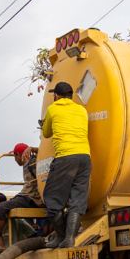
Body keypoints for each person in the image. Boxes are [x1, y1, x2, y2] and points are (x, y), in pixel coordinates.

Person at [41, 81, 91, 247]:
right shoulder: (82, 110)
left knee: (51, 199)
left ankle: (61, 237)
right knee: (77, 199)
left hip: (65, 157)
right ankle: (70, 239)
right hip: (84, 157)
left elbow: (46, 133)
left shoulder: (53, 109)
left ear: (56, 95)